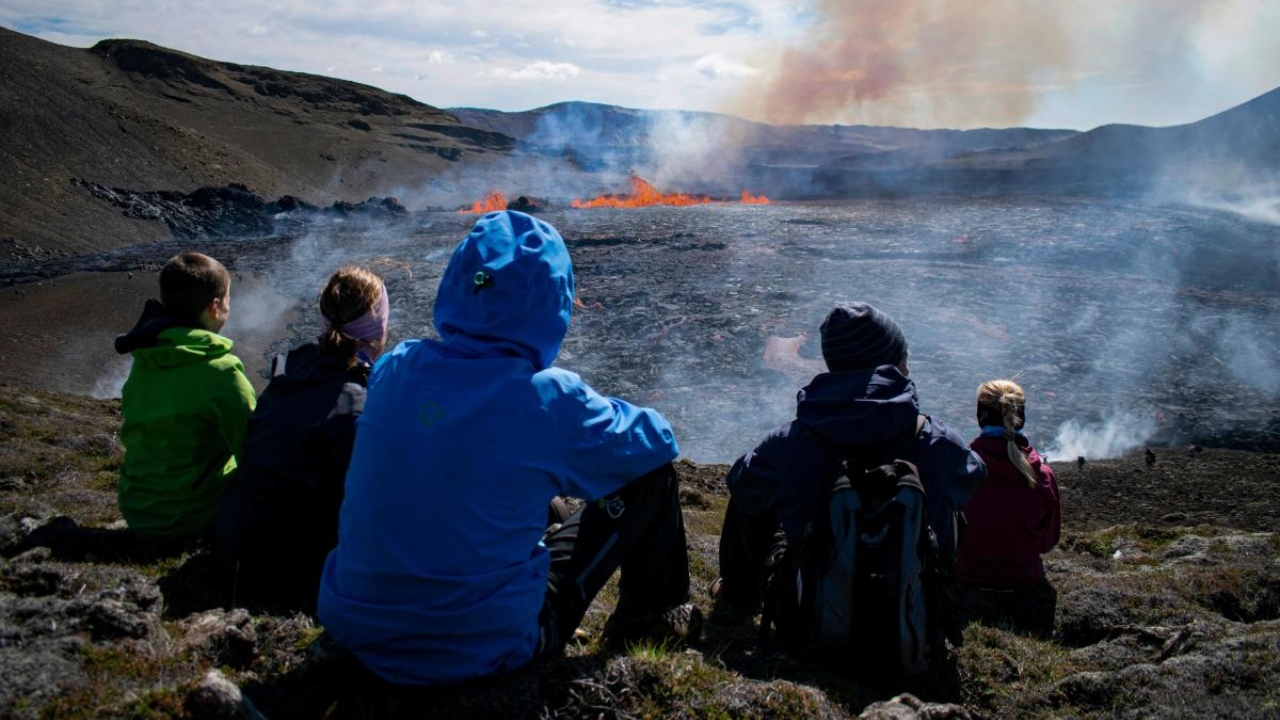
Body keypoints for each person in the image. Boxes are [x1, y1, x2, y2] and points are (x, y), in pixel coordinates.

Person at [317, 210, 698, 686]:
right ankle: (651, 624)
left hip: (356, 628)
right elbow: (658, 442)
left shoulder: (396, 367)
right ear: (554, 300)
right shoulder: (547, 397)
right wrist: (590, 408)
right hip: (481, 649)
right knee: (650, 477)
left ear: (457, 282)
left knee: (547, 504)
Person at [715, 302, 987, 618]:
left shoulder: (792, 442)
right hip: (911, 625)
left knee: (753, 481)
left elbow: (742, 483)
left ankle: (738, 596)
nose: (908, 369)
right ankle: (939, 602)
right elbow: (973, 475)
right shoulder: (935, 439)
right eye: (904, 358)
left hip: (814, 621)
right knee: (951, 499)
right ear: (890, 365)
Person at [216, 266, 389, 610]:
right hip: (299, 573)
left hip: (235, 549)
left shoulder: (288, 374)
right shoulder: (361, 404)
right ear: (378, 327)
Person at [115, 252, 256, 538]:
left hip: (137, 510)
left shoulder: (146, 359)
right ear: (215, 307)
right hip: (192, 514)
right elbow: (254, 449)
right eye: (228, 299)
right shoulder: (222, 373)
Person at [955, 379, 1060, 636]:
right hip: (1025, 583)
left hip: (969, 582)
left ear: (981, 416)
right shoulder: (1042, 475)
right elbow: (1047, 541)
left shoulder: (960, 469)